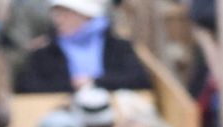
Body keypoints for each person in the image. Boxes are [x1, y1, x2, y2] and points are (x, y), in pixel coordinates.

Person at [13, 0, 151, 94]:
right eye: (57, 13)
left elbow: (139, 80)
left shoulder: (118, 47)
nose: (58, 20)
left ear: (86, 15)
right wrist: (72, 86)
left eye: (66, 13)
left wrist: (94, 82)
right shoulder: (44, 53)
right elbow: (26, 87)